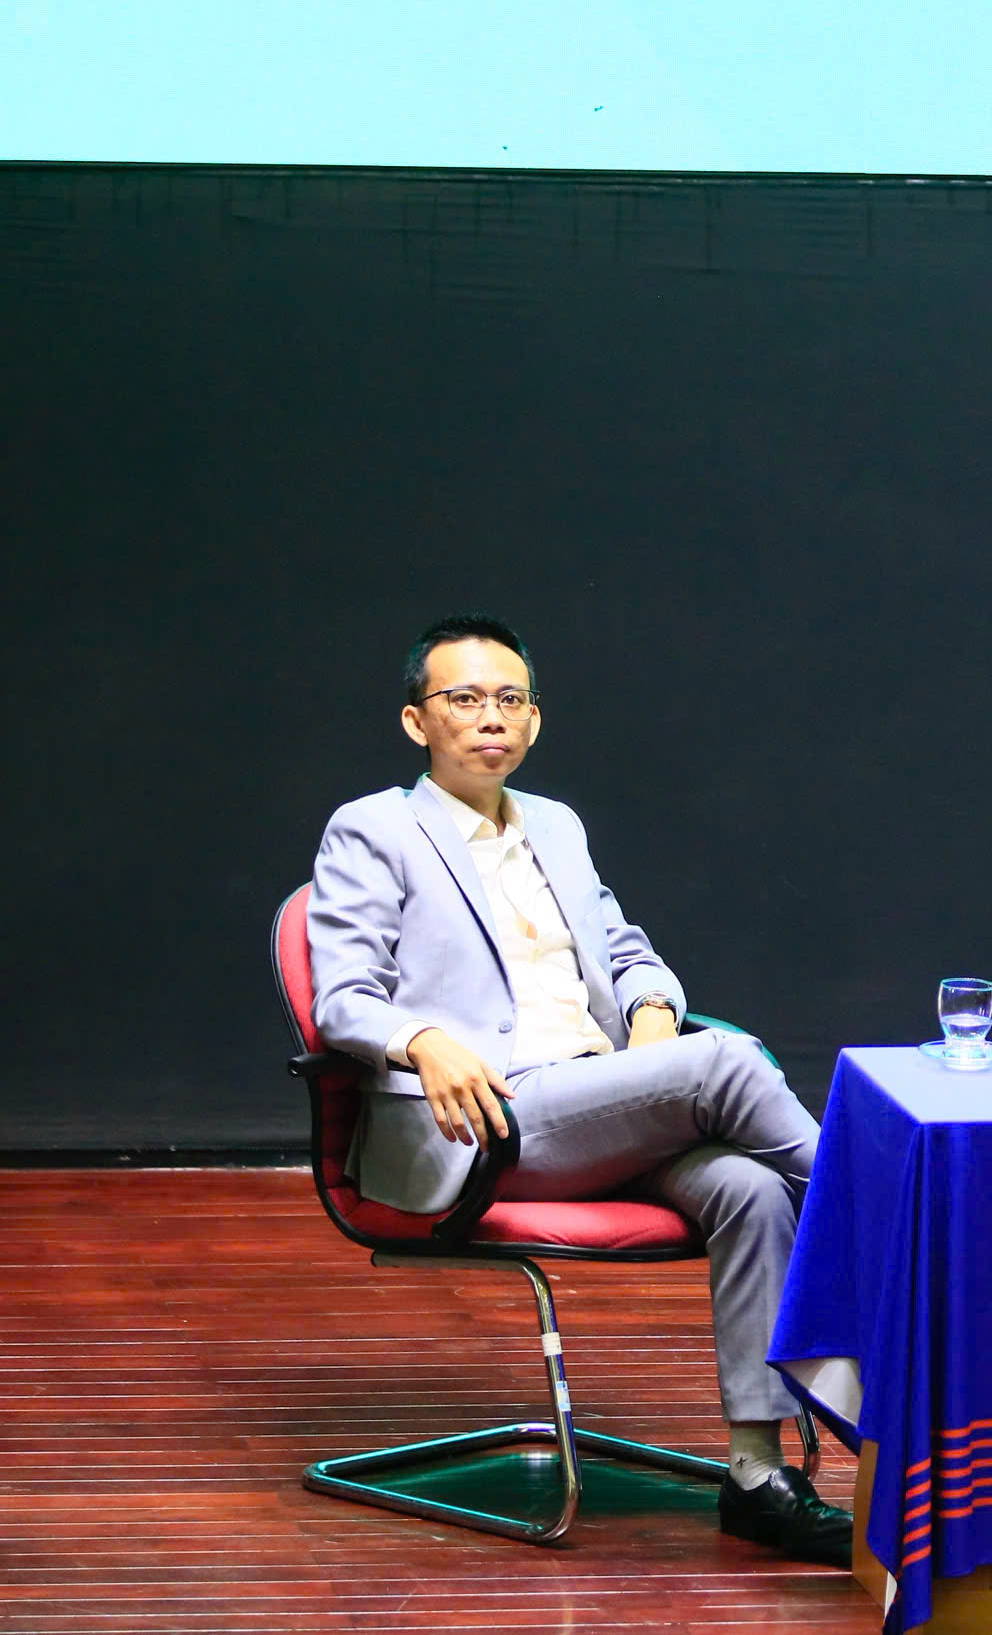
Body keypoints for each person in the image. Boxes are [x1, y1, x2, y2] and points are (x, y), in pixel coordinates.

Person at [305, 614, 854, 1563]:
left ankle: (758, 1476)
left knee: (752, 1187)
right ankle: (881, 1216)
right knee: (727, 1060)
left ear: (534, 720)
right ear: (416, 721)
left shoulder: (556, 826)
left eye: (509, 699)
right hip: (487, 1121)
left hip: (598, 1101)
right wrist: (422, 1039)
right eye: (464, 699)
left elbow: (628, 951)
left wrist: (652, 1013)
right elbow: (343, 997)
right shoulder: (373, 829)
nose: (491, 718)